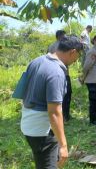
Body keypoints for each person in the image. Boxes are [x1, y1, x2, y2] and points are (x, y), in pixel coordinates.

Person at [20, 36, 83, 169]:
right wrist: (63, 145)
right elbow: (54, 112)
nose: (75, 60)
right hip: (43, 130)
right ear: (72, 51)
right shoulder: (56, 72)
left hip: (28, 123)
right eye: (77, 56)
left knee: (41, 163)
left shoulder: (37, 61)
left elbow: (23, 90)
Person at [48, 31, 73, 122]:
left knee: (58, 96)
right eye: (64, 36)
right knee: (66, 95)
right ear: (59, 36)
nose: (66, 37)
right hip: (63, 74)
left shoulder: (51, 46)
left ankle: (63, 115)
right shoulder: (63, 46)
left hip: (53, 73)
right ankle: (64, 116)